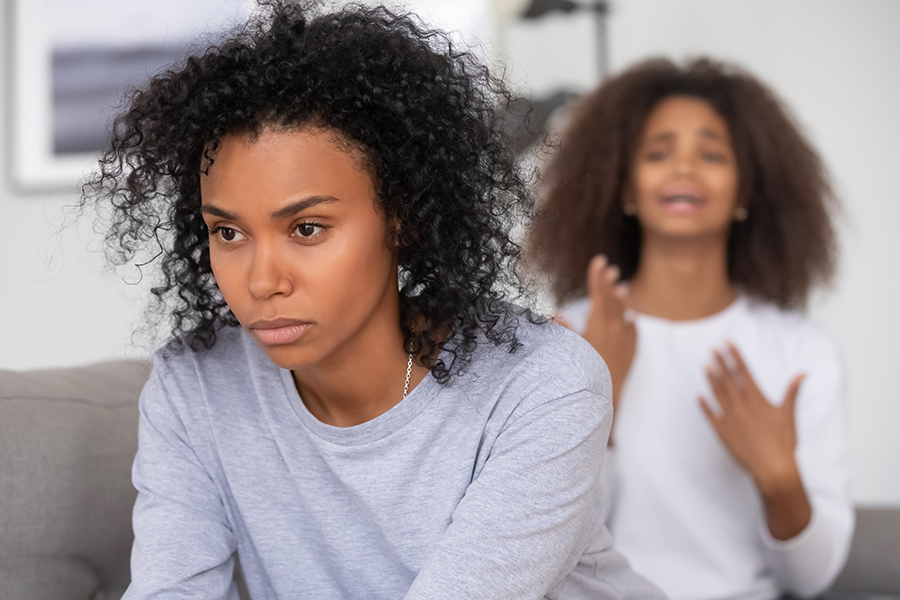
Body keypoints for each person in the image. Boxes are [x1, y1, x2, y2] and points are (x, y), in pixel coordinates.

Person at [80, 2, 663, 599]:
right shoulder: (196, 390)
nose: (260, 281)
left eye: (307, 228)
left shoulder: (542, 385)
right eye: (228, 233)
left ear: (401, 216)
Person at [528, 58, 853, 600]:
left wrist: (779, 479)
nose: (685, 168)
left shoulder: (800, 353)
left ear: (745, 193)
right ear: (625, 189)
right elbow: (541, 546)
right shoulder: (569, 340)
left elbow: (813, 578)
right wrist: (597, 402)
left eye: (711, 154)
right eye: (659, 153)